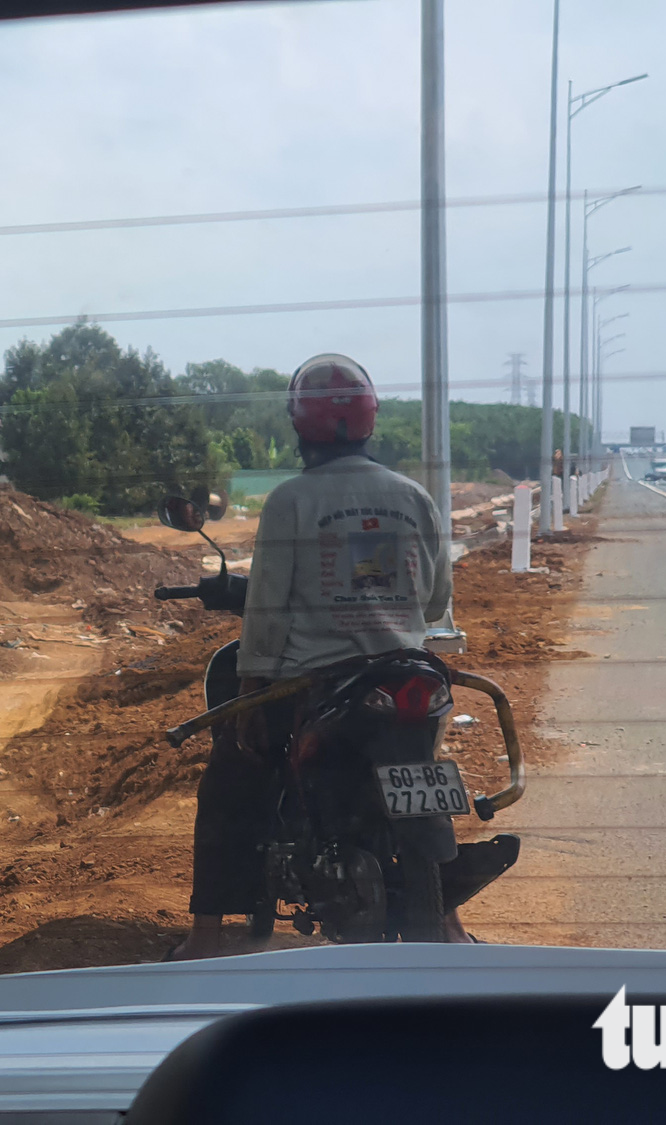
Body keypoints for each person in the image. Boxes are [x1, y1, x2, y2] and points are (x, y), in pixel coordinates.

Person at [172, 353, 463, 959]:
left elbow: (267, 612)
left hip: (316, 687)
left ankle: (204, 936)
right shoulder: (414, 497)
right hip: (407, 676)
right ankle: (452, 922)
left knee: (230, 775)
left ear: (299, 427)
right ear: (370, 422)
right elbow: (435, 603)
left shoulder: (291, 501)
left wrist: (251, 697)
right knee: (425, 769)